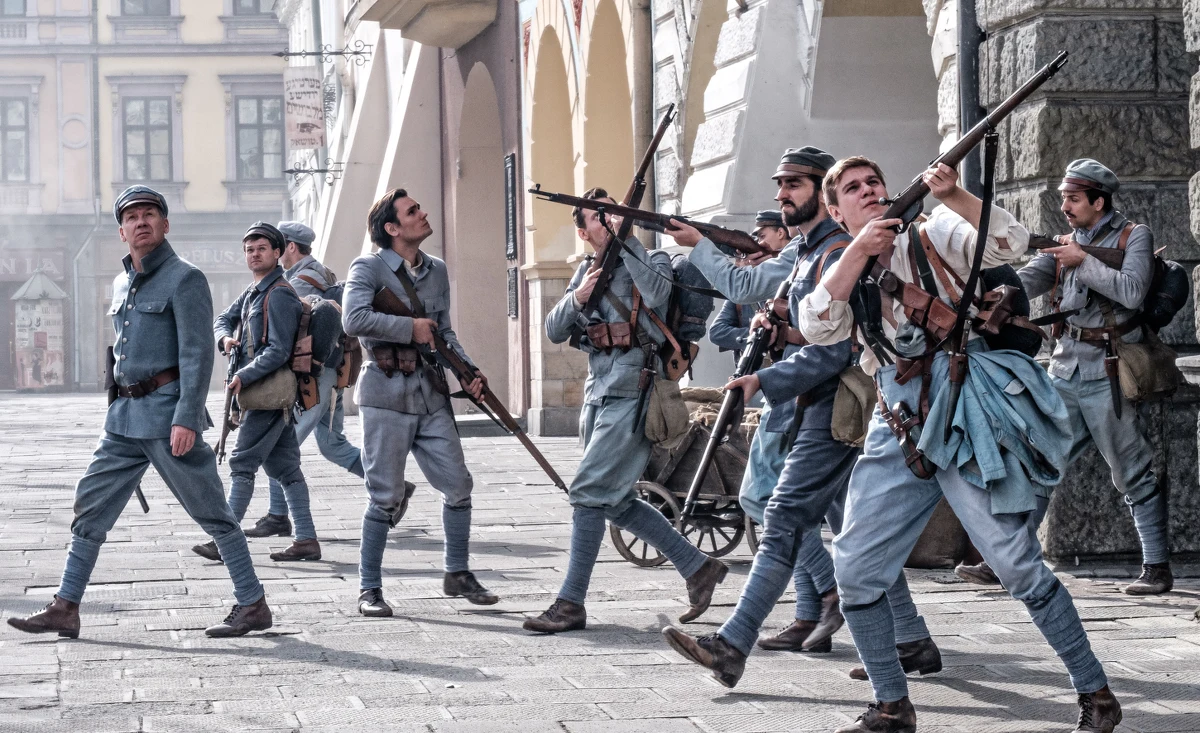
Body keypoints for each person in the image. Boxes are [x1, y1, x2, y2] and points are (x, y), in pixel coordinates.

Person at [798, 156, 1119, 732]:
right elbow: (817, 324)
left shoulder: (932, 231)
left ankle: (1096, 694)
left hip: (965, 406)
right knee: (856, 569)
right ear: (835, 210)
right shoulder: (841, 263)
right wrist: (860, 251)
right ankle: (891, 706)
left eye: (874, 182)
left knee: (1015, 562)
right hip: (897, 421)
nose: (868, 191)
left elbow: (1009, 243)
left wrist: (954, 194)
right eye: (852, 188)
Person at [659, 147, 938, 688]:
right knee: (852, 530)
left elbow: (832, 352)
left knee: (784, 517)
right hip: (815, 405)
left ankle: (734, 644)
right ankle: (910, 639)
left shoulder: (836, 251)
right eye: (779, 184)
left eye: (793, 184)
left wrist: (765, 380)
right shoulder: (810, 251)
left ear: (820, 196)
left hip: (831, 408)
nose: (781, 194)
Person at [7, 186, 272, 639]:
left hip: (168, 417)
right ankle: (65, 606)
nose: (141, 222)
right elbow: (120, 351)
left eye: (150, 214)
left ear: (165, 225)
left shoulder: (185, 278)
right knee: (90, 504)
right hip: (124, 419)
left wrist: (187, 417)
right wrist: (113, 402)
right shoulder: (120, 282)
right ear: (121, 231)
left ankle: (253, 604)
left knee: (211, 510)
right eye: (131, 217)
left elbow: (196, 354)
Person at [524, 186, 728, 634]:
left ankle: (570, 603)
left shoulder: (649, 258)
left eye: (611, 210)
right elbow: (554, 329)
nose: (608, 218)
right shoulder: (586, 271)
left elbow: (656, 294)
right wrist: (578, 297)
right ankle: (698, 568)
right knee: (614, 500)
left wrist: (628, 240)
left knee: (588, 493)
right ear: (584, 232)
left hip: (637, 389)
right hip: (598, 391)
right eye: (597, 215)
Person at [1012, 159, 1171, 596]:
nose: (1065, 206)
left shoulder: (1133, 236)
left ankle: (1157, 567)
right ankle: (1010, 558)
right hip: (1065, 368)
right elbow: (1028, 281)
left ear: (1098, 202)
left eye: (1073, 199)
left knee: (1131, 470)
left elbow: (1132, 292)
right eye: (1064, 197)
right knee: (1041, 461)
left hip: (1109, 370)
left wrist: (1082, 260)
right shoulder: (1067, 240)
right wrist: (996, 290)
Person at [343, 188, 498, 618]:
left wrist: (467, 370)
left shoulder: (437, 270)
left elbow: (443, 332)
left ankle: (457, 572)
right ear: (392, 228)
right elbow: (353, 319)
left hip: (430, 394)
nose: (423, 213)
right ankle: (369, 590)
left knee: (458, 485)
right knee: (385, 495)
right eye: (412, 211)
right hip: (385, 394)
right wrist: (408, 328)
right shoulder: (367, 268)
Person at [195, 222, 321, 563]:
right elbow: (222, 319)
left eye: (262, 248)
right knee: (287, 470)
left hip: (268, 393)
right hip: (263, 393)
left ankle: (225, 541)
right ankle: (306, 540)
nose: (254, 254)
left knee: (242, 463)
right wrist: (225, 338)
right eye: (249, 250)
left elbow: (279, 349)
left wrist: (244, 375)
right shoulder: (254, 291)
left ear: (277, 252)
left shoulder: (278, 294)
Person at [242, 221, 365, 540]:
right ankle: (391, 487)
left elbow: (290, 334)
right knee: (332, 444)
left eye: (277, 246)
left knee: (280, 444)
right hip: (332, 373)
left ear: (290, 247)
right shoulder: (324, 274)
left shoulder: (297, 282)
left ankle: (278, 516)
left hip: (313, 377)